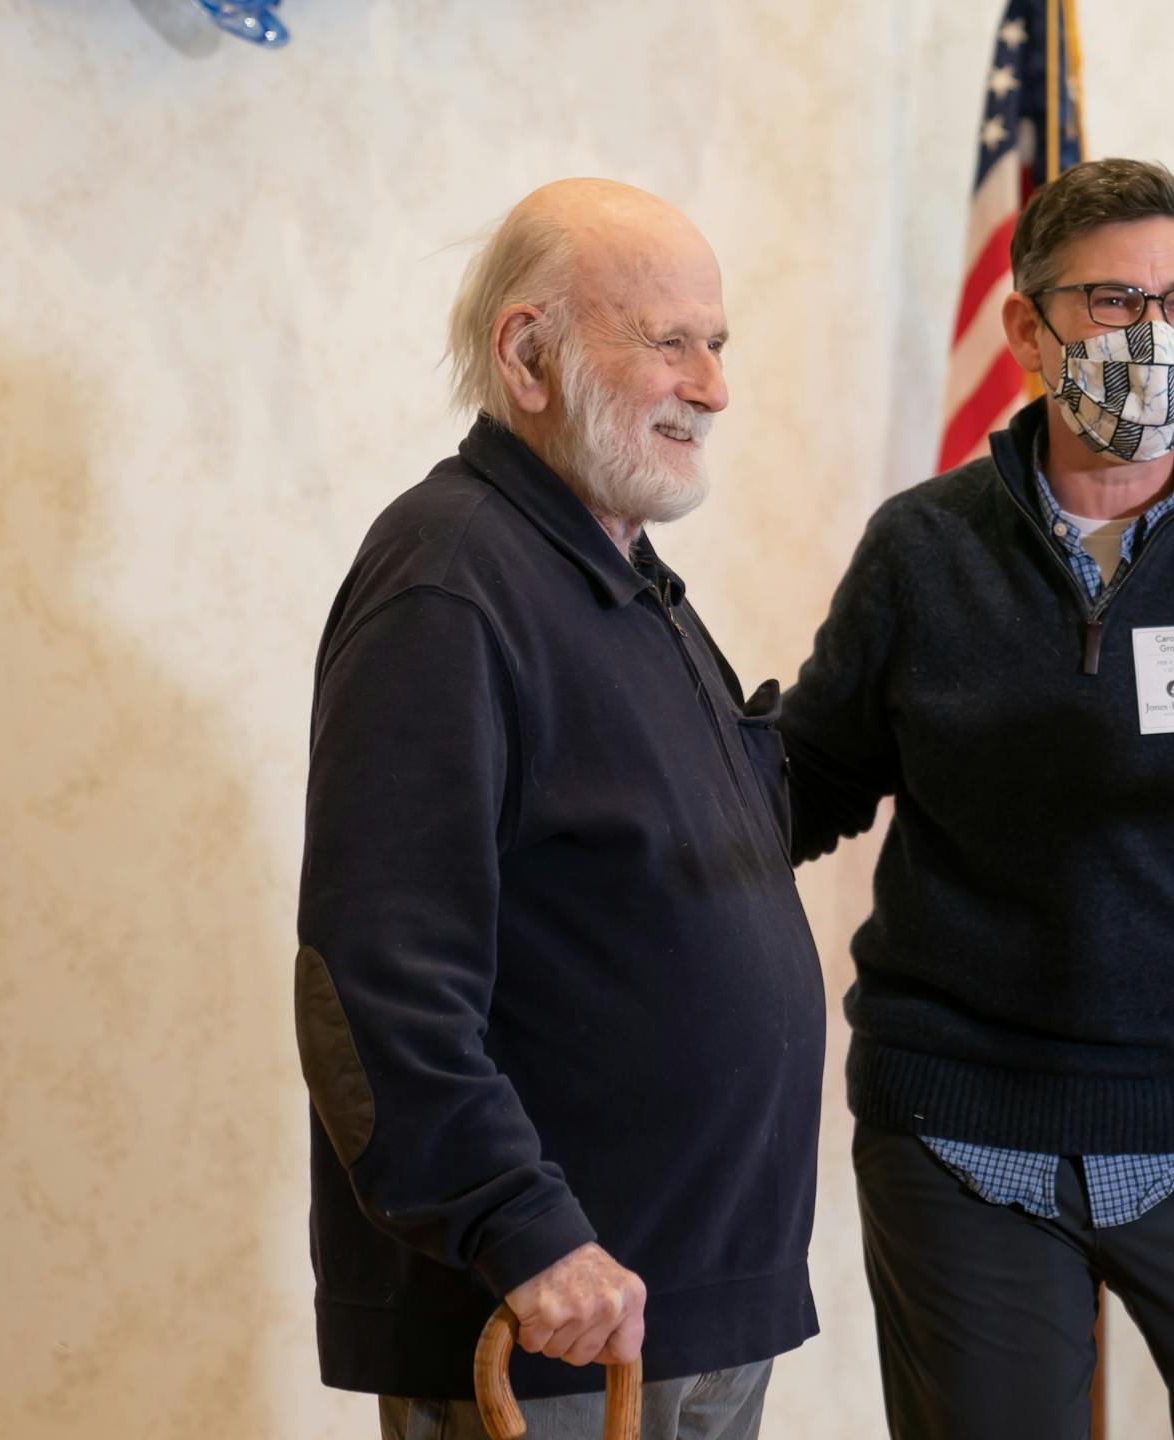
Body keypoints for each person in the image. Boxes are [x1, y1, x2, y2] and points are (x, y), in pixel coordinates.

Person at [779, 157, 1174, 1440]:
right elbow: (807, 785)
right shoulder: (923, 551)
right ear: (1026, 329)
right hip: (966, 1131)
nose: (1158, 336)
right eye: (1117, 302)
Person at [295, 178, 823, 1440]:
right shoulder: (450, 577)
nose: (714, 387)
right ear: (527, 355)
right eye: (670, 342)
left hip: (693, 1310)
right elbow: (371, 977)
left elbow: (721, 843)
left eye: (720, 343)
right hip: (552, 1323)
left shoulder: (621, 572)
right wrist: (523, 1233)